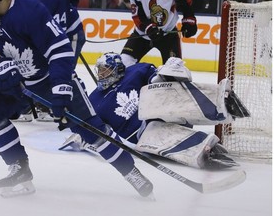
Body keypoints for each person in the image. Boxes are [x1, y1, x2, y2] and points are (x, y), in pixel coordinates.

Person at [0, 0, 154, 198]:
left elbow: (60, 50)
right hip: (17, 84)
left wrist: (61, 87)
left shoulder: (31, 10)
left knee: (91, 129)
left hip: (48, 79)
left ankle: (131, 172)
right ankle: (19, 169)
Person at [60, 52, 243, 169]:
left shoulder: (135, 72)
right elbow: (92, 128)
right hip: (144, 132)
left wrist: (168, 71)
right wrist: (81, 136)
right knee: (155, 131)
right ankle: (204, 149)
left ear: (117, 70)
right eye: (99, 71)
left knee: (164, 89)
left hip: (164, 109)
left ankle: (220, 102)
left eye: (105, 71)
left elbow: (158, 79)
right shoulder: (94, 100)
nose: (101, 75)